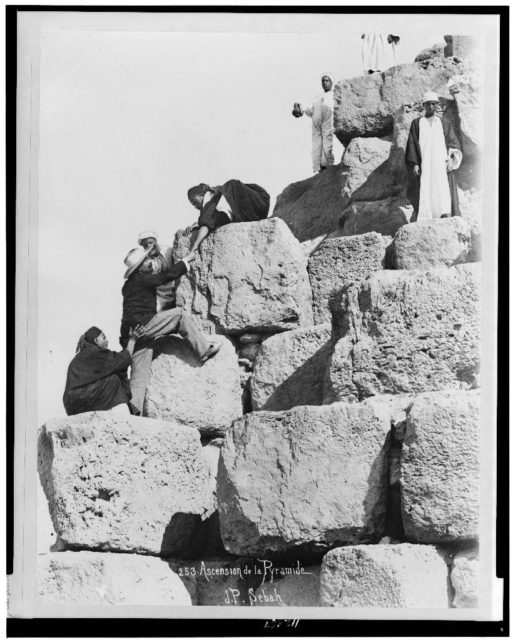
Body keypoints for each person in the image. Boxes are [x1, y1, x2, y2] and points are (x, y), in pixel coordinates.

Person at [120, 246, 220, 413]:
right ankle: (204, 349)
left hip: (133, 334)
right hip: (144, 325)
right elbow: (167, 276)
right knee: (179, 315)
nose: (149, 262)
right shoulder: (141, 278)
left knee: (139, 375)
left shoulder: (130, 284)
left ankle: (134, 413)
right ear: (138, 269)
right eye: (145, 261)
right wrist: (185, 261)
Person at [405, 91, 463, 221]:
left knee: (442, 186)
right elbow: (412, 143)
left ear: (437, 105)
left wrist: (451, 159)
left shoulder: (444, 123)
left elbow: (453, 142)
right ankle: (427, 215)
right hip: (425, 163)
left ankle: (445, 212)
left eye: (434, 104)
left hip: (441, 162)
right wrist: (414, 163)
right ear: (424, 105)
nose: (431, 107)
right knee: (427, 187)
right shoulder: (417, 123)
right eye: (428, 104)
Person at [63, 325, 143, 416]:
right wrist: (132, 340)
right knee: (114, 379)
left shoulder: (78, 358)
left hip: (72, 407)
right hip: (84, 401)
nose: (107, 341)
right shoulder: (95, 353)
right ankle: (123, 414)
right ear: (96, 340)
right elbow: (122, 360)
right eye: (104, 338)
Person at [180, 179, 270, 255]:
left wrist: (194, 248)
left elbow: (206, 223)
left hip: (255, 201)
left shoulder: (211, 201)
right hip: (259, 204)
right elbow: (209, 218)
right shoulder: (213, 198)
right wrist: (195, 225)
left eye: (195, 203)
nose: (196, 207)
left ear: (202, 196)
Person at [292, 73, 335, 174]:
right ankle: (321, 171)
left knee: (327, 146)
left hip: (328, 124)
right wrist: (300, 109)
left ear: (331, 82)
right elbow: (309, 109)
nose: (324, 83)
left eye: (327, 80)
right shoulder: (317, 98)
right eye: (323, 81)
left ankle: (328, 170)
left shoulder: (334, 96)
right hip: (317, 127)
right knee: (317, 148)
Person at [137, 230, 176, 311]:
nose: (148, 246)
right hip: (162, 296)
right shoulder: (146, 262)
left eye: (150, 242)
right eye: (145, 245)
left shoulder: (168, 250)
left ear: (155, 241)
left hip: (176, 288)